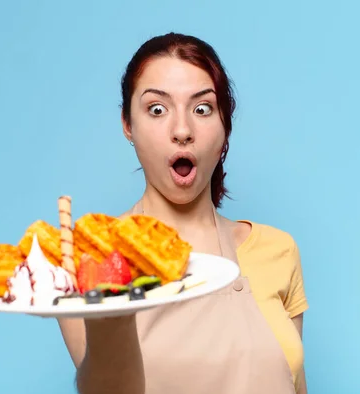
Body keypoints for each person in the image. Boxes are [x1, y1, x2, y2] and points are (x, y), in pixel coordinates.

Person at [58, 32, 309, 394]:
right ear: (128, 124)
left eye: (202, 108)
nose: (182, 130)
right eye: (157, 109)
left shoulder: (278, 250)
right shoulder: (92, 261)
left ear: (225, 126)